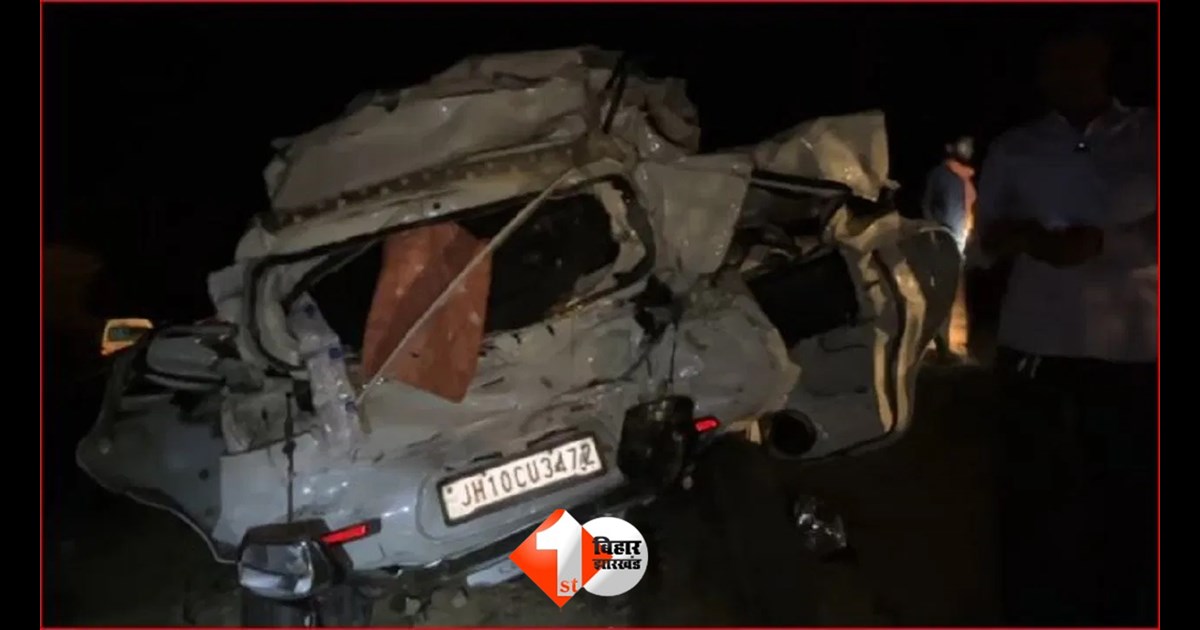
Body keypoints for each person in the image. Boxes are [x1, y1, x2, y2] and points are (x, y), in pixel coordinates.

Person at [974, 24, 1156, 626]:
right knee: (1037, 502)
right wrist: (1026, 238)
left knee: (1131, 504)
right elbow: (984, 243)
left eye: (1079, 61)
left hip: (1136, 350)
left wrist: (1102, 244)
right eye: (1055, 64)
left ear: (1102, 61)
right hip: (1038, 347)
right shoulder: (1015, 148)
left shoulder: (1148, 134)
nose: (1068, 75)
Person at [921, 136, 976, 359]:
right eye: (964, 144)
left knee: (956, 293)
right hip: (945, 240)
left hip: (963, 240)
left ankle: (952, 344)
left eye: (970, 145)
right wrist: (935, 233)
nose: (968, 149)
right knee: (942, 292)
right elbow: (927, 205)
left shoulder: (966, 177)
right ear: (950, 147)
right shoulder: (940, 174)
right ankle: (939, 344)